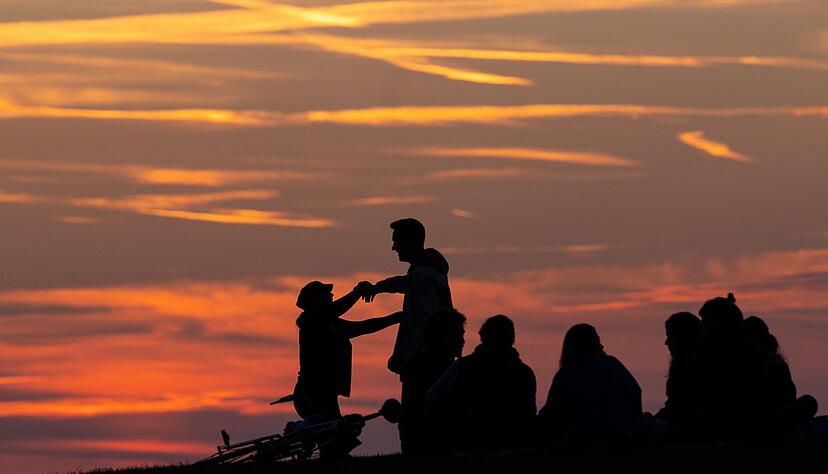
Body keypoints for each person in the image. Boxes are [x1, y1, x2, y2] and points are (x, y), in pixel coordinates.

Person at [292, 280, 401, 422]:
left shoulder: (326, 323)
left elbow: (362, 327)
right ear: (316, 301)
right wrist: (357, 293)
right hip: (314, 392)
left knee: (334, 437)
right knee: (336, 438)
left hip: (320, 391)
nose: (332, 295)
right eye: (326, 294)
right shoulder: (313, 321)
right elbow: (336, 310)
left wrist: (394, 318)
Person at [426, 315, 536, 452]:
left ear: (482, 336)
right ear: (511, 339)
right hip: (513, 446)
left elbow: (431, 400)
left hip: (468, 446)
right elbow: (529, 414)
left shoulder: (462, 367)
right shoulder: (525, 373)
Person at [362, 218, 453, 374]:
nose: (394, 247)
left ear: (410, 241)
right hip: (433, 358)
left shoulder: (422, 275)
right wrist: (377, 288)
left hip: (426, 364)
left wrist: (409, 359)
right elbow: (404, 283)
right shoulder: (426, 273)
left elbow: (425, 320)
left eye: (396, 241)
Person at [536, 324, 642, 445]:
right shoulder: (613, 365)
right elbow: (635, 393)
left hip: (578, 439)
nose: (603, 346)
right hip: (620, 437)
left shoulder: (566, 375)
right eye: (598, 341)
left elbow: (552, 411)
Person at [695, 293, 768, 442]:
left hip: (731, 426)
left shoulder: (725, 354)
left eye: (706, 322)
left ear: (721, 324)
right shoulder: (750, 351)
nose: (702, 327)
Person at [399, 308, 466, 454]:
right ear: (438, 337)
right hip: (430, 448)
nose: (462, 341)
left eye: (461, 335)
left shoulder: (454, 369)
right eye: (454, 335)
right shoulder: (421, 369)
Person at [744, 315, 817, 436]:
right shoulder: (775, 364)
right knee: (809, 402)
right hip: (763, 421)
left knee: (809, 402)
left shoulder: (774, 364)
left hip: (767, 418)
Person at [655, 312, 702, 441]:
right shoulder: (683, 365)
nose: (666, 342)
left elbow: (680, 406)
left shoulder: (689, 367)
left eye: (670, 336)